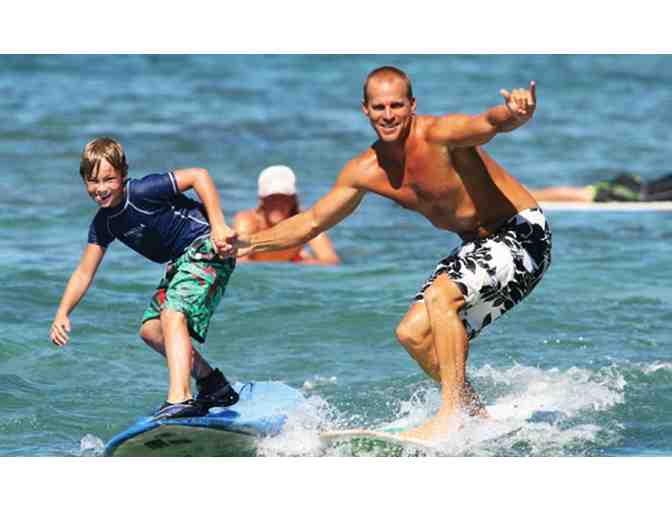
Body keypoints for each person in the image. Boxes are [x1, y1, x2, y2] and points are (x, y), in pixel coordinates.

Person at [235, 66, 552, 440]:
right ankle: (475, 414)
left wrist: (516, 112)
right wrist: (247, 244)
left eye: (397, 105)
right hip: (478, 246)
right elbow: (312, 222)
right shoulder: (365, 170)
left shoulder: (439, 135)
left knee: (441, 298)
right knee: (412, 334)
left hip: (522, 233)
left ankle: (450, 414)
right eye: (379, 107)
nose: (388, 115)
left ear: (412, 105)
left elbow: (488, 122)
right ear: (365, 110)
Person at [49, 137, 240, 419]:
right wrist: (63, 312)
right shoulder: (104, 223)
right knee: (151, 330)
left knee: (173, 313)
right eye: (93, 181)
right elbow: (84, 271)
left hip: (206, 247)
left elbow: (199, 175)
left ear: (123, 174)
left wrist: (219, 225)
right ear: (84, 181)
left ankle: (180, 397)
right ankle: (213, 384)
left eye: (108, 179)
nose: (101, 188)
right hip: (180, 262)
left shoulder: (142, 191)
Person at [233, 165, 340, 265]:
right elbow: (240, 260)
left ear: (293, 199)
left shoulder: (304, 222)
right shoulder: (248, 221)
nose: (277, 203)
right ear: (262, 200)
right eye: (272, 197)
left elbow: (331, 260)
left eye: (283, 197)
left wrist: (303, 264)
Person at [527, 172, 672, 202]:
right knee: (586, 195)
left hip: (636, 186)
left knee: (586, 193)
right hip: (630, 192)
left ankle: (528, 194)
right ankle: (528, 195)